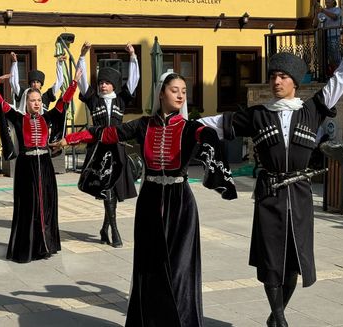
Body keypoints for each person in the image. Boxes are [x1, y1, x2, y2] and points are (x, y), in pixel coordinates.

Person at [199, 17, 343, 327]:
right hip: (269, 194)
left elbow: (341, 79)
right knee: (271, 260)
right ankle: (281, 319)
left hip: (299, 194)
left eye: (283, 76)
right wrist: (183, 126)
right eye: (273, 76)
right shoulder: (257, 115)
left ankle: (276, 316)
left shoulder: (312, 109)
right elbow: (217, 124)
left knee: (293, 261)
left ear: (294, 82)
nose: (276, 81)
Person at [54, 72, 236, 327]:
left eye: (184, 90)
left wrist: (210, 150)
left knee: (179, 268)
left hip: (180, 202)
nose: (181, 95)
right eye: (175, 90)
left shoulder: (189, 127)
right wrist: (69, 138)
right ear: (161, 93)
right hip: (150, 200)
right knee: (149, 265)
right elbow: (107, 134)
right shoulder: (143, 125)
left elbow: (206, 135)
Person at [0, 66, 79, 263]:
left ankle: (45, 245)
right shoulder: (18, 118)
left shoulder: (46, 117)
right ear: (26, 102)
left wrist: (73, 83)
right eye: (33, 100)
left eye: (39, 100)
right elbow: (0, 101)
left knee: (47, 205)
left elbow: (62, 102)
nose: (36, 103)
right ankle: (28, 247)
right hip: (26, 166)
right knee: (28, 206)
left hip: (45, 166)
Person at [75, 42, 140, 248]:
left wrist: (133, 57)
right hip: (99, 151)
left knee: (111, 190)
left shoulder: (121, 100)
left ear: (114, 85)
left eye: (107, 82)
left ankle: (105, 228)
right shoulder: (93, 100)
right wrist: (82, 56)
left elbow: (134, 80)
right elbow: (82, 81)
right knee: (107, 190)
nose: (103, 85)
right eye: (101, 82)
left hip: (117, 150)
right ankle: (114, 231)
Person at [313, 0, 343, 69]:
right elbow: (315, 24)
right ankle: (326, 73)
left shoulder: (337, 9)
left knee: (335, 55)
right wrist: (316, 13)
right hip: (322, 36)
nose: (327, 1)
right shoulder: (321, 12)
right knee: (323, 56)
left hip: (333, 36)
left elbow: (335, 17)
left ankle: (340, 71)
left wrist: (323, 10)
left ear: (333, 1)